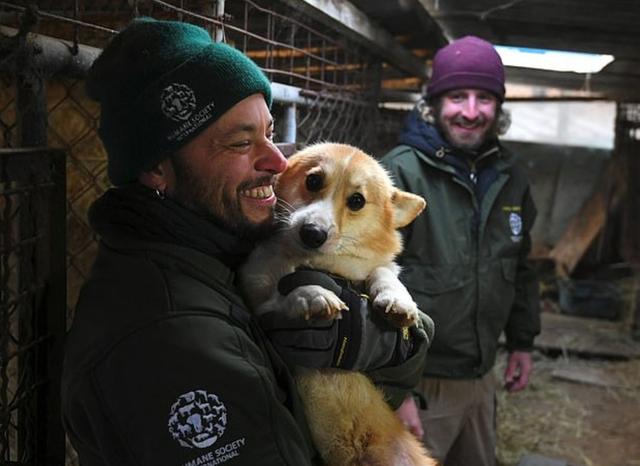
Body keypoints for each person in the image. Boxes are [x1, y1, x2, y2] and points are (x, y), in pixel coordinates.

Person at [61, 17, 432, 466]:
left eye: (270, 134)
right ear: (157, 167)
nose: (278, 162)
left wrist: (383, 342)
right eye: (241, 143)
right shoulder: (170, 331)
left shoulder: (221, 250)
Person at [380, 36, 541, 466]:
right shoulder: (399, 173)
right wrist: (394, 389)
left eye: (484, 98)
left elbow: (520, 266)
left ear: (498, 106)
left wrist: (522, 343)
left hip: (481, 378)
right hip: (420, 384)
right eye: (457, 97)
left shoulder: (510, 175)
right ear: (433, 103)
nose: (471, 111)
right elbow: (367, 282)